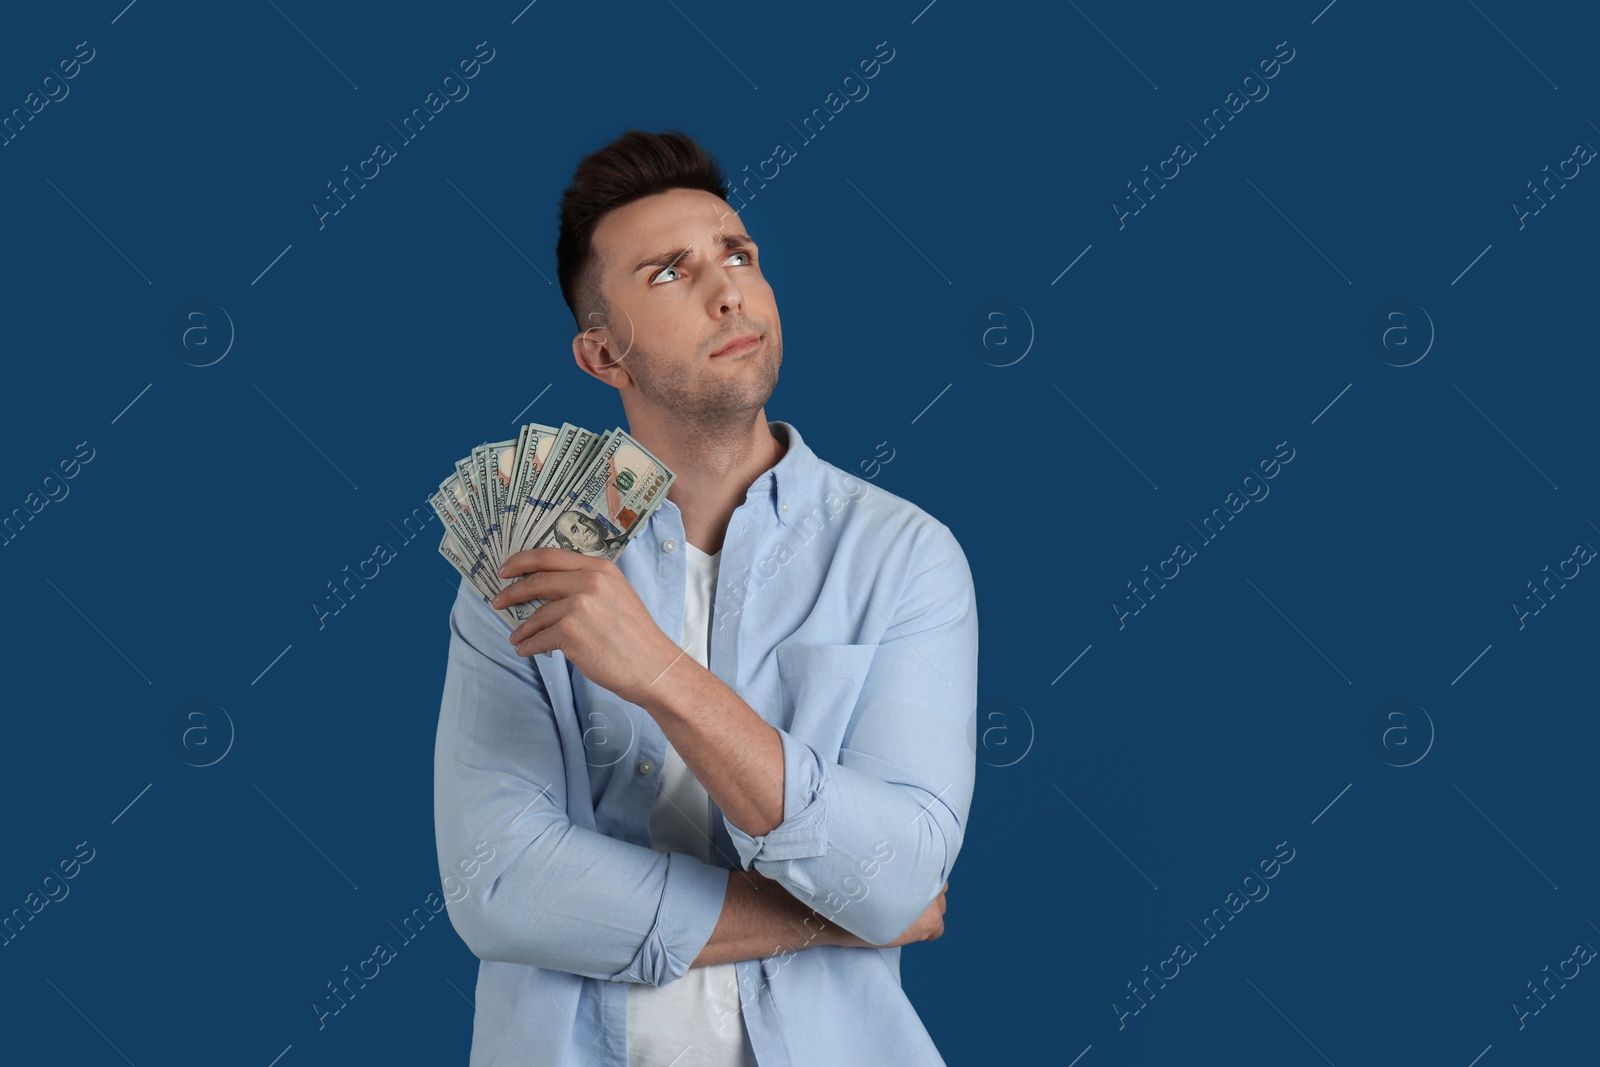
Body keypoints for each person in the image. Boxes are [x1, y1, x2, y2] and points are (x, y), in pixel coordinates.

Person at [433, 129, 978, 1067]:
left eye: (738, 255)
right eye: (667, 274)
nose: (728, 288)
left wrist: (656, 673)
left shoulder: (905, 557)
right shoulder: (526, 569)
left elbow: (904, 867)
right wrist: (833, 918)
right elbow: (499, 884)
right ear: (605, 356)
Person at [549, 507, 626, 558]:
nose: (585, 528)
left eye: (583, 520)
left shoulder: (626, 539)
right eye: (575, 530)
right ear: (572, 545)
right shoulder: (588, 575)